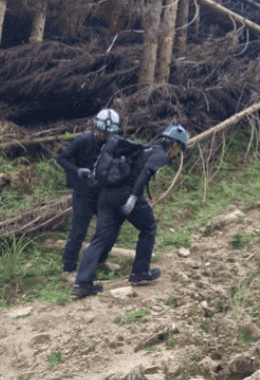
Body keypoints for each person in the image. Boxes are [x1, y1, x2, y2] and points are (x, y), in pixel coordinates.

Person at [72, 124, 189, 298]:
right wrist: (133, 198)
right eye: (179, 149)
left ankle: (82, 284)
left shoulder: (146, 148)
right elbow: (144, 175)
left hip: (106, 195)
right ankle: (140, 272)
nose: (177, 153)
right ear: (174, 144)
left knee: (100, 238)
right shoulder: (160, 154)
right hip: (125, 196)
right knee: (149, 227)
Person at [56, 109, 120, 282]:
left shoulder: (114, 143)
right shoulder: (83, 141)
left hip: (104, 193)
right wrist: (77, 171)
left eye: (106, 133)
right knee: (78, 231)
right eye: (99, 131)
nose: (102, 135)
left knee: (108, 228)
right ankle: (68, 269)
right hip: (83, 194)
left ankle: (101, 260)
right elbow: (61, 158)